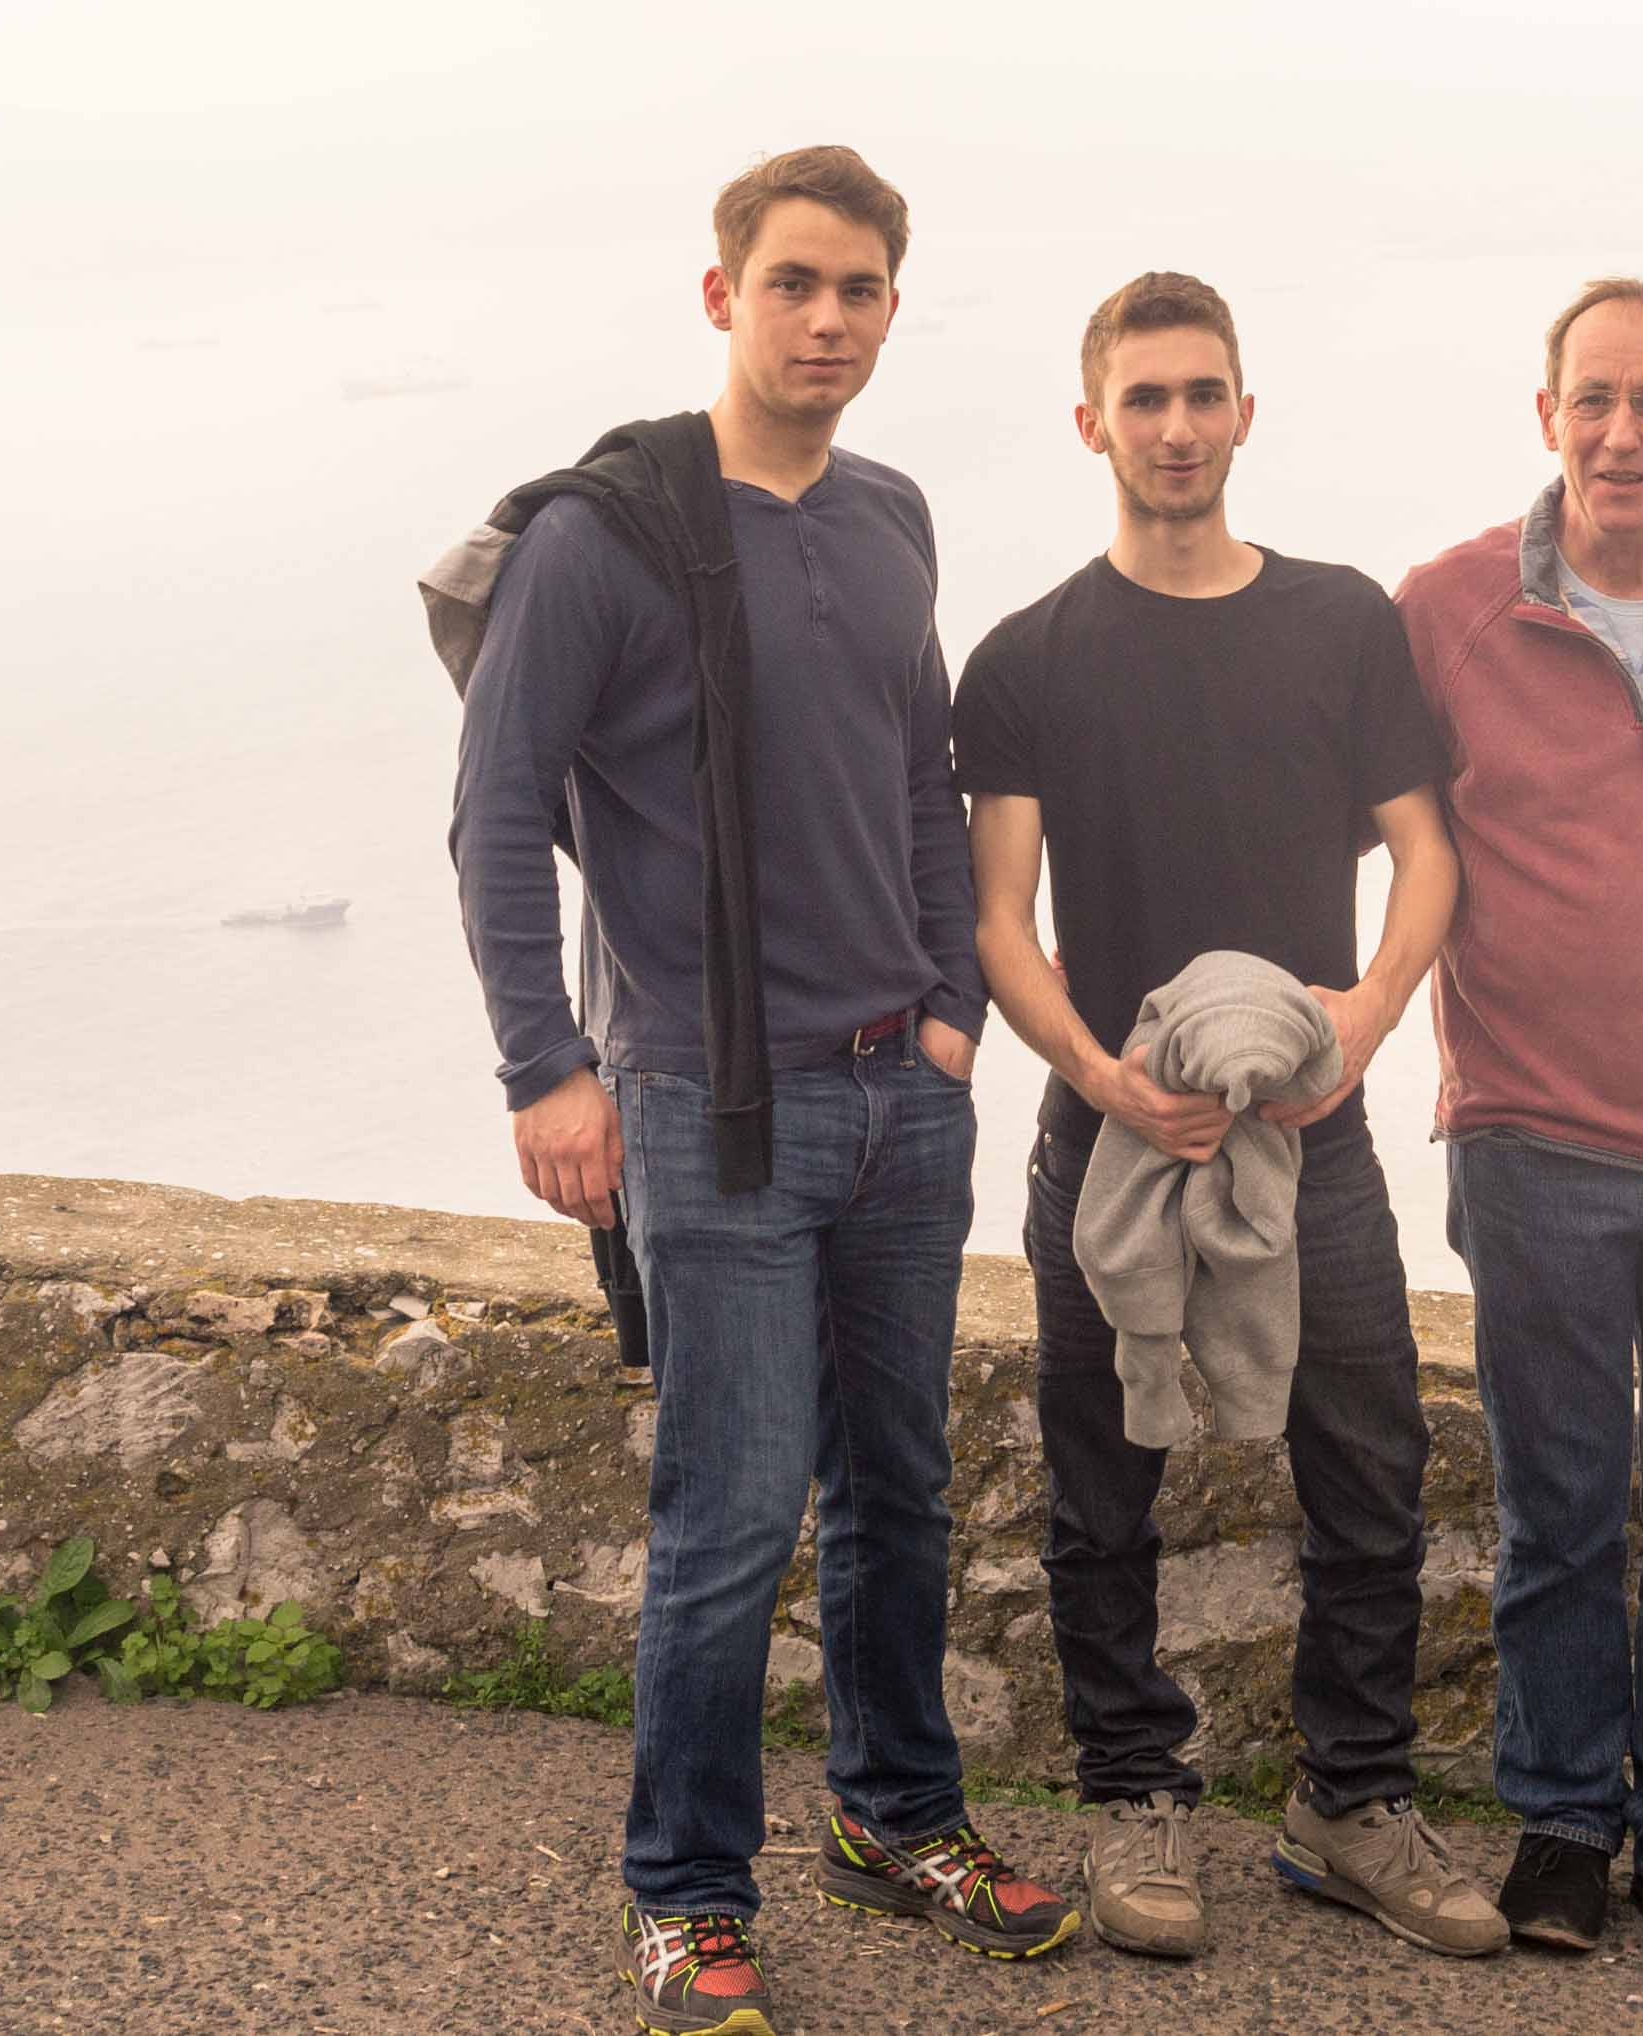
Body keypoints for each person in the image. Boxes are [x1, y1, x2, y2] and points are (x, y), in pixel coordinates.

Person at [447, 146, 1079, 2036]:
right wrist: (544, 1070)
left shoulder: (888, 513)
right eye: (794, 284)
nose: (828, 319)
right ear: (722, 295)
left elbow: (915, 775)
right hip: (710, 1101)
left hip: (902, 1093)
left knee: (901, 1487)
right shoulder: (606, 537)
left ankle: (898, 1817)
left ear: (894, 306)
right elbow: (494, 815)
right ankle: (687, 1888)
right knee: (725, 1518)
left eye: (861, 289)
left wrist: (953, 1006)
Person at [956, 271, 1503, 1962]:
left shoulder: (1340, 620)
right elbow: (995, 920)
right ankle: (1134, 1793)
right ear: (1092, 423)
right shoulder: (1028, 656)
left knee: (1368, 1464)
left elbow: (1426, 850)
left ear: (1245, 413)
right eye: (1145, 399)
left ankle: (1348, 1801)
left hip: (1309, 1129)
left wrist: (1366, 1014)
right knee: (1101, 1480)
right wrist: (1101, 1075)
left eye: (1204, 395)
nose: (1176, 427)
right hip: (1103, 1141)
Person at [1392, 279, 1643, 1973]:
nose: (1621, 434)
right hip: (1534, 1137)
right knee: (1559, 1507)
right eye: (1592, 401)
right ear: (1545, 415)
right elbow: (1390, 835)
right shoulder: (1440, 607)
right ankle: (1562, 1823)